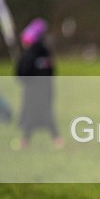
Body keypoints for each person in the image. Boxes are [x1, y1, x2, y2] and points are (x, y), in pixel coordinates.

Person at [16, 18, 62, 149]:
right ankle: (55, 139)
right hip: (45, 89)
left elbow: (21, 74)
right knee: (42, 113)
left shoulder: (32, 54)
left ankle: (53, 139)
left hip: (36, 90)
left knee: (35, 114)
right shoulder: (44, 52)